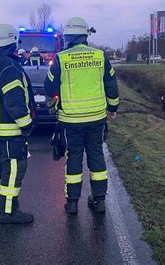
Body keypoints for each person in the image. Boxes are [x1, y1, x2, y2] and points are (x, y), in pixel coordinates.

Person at [44, 17, 119, 215]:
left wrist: (57, 99)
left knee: (74, 157)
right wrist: (113, 109)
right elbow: (111, 84)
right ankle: (99, 200)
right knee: (96, 155)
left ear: (67, 36)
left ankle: (72, 204)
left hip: (71, 120)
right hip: (96, 118)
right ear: (86, 35)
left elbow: (49, 87)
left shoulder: (61, 58)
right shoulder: (100, 56)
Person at [0, 24, 35, 225]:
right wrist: (27, 124)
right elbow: (14, 101)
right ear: (12, 43)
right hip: (10, 129)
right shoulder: (10, 67)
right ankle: (9, 211)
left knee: (0, 167)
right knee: (13, 169)